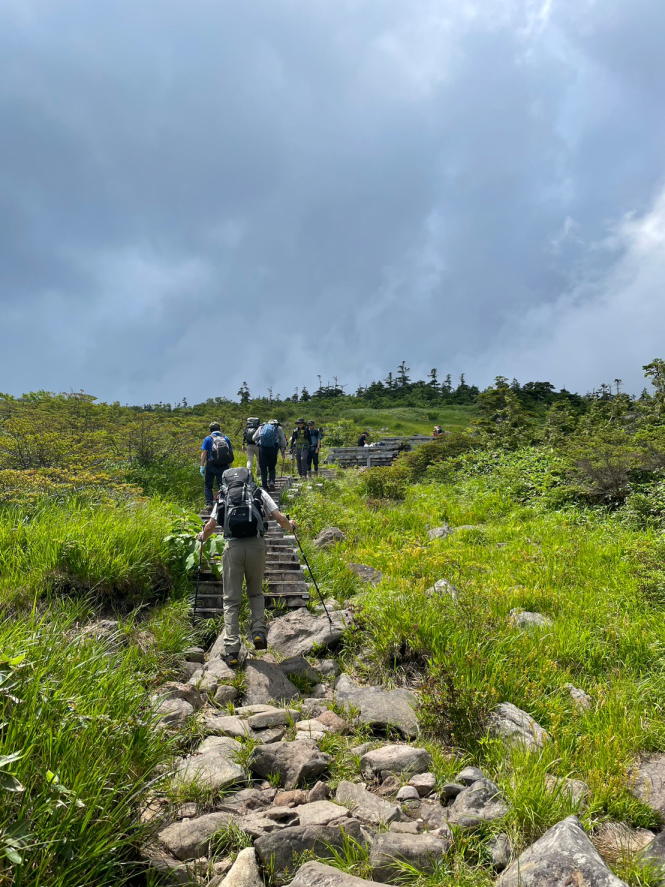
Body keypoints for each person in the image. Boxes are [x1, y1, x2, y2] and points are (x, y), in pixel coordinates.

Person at [197, 467, 296, 667]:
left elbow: (211, 524)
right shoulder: (258, 492)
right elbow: (278, 517)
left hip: (233, 547)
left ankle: (232, 649)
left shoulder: (224, 496)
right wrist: (291, 526)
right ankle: (258, 632)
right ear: (249, 478)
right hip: (256, 545)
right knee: (256, 593)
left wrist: (201, 537)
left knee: (231, 600)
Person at [200, 422, 234, 510]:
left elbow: (204, 453)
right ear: (219, 429)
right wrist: (229, 465)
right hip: (224, 465)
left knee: (208, 485)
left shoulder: (208, 439)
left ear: (210, 430)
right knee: (222, 484)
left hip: (211, 465)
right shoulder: (226, 438)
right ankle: (223, 503)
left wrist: (202, 466)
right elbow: (230, 453)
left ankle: (209, 504)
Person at [253, 419, 287, 491]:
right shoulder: (278, 428)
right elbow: (283, 441)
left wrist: (258, 442)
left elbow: (254, 437)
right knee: (272, 467)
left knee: (263, 468)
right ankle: (272, 482)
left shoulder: (262, 427)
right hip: (273, 449)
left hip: (262, 449)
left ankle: (264, 486)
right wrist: (282, 451)